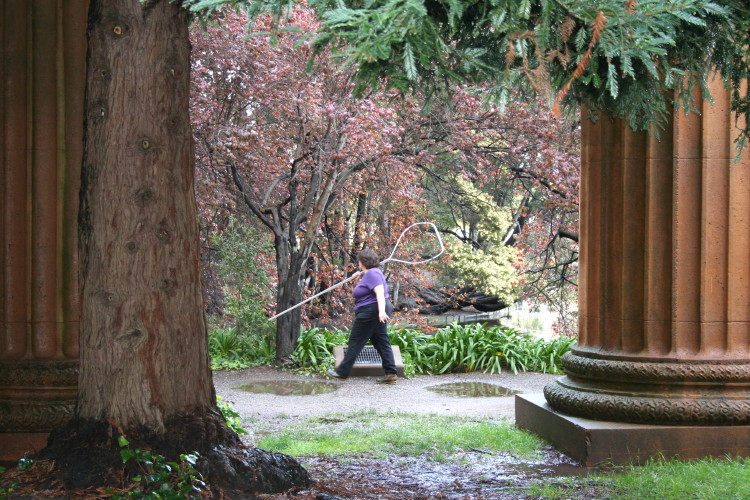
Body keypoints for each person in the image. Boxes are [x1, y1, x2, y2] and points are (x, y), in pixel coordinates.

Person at [327, 248, 398, 384]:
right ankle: (391, 373)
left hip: (371, 311)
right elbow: (362, 293)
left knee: (356, 340)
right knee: (381, 341)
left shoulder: (372, 273)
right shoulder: (370, 274)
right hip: (373, 310)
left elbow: (380, 293)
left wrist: (381, 312)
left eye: (359, 260)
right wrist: (357, 280)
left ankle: (342, 372)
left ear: (362, 262)